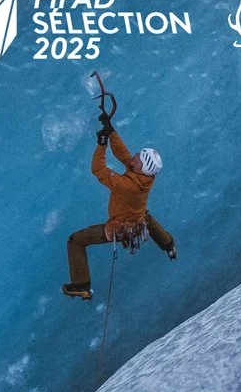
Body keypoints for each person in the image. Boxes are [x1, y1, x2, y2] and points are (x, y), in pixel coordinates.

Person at [63, 121, 173, 300]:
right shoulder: (145, 177)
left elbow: (98, 170)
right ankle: (169, 244)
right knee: (146, 217)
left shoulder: (130, 186)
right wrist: (111, 130)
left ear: (140, 167)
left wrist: (101, 145)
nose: (135, 155)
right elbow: (124, 154)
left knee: (76, 241)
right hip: (136, 218)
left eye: (139, 157)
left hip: (120, 228)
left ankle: (81, 285)